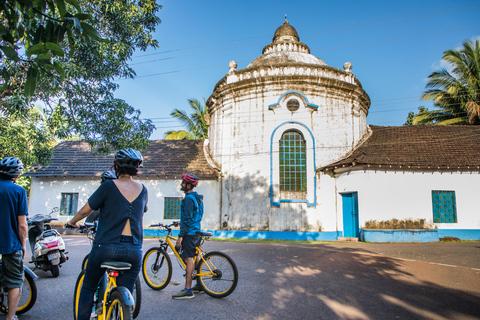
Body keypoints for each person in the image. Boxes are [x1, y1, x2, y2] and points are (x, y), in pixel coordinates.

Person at [67, 148, 147, 320]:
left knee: (88, 287)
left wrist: (72, 222)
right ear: (136, 169)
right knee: (127, 288)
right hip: (134, 251)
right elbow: (142, 211)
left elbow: (84, 211)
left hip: (106, 247)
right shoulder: (143, 190)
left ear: (116, 167)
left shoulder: (108, 186)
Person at [0, 157, 28, 320]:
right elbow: (22, 225)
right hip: (10, 243)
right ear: (16, 175)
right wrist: (23, 244)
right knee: (15, 281)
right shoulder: (18, 191)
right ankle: (10, 317)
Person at [172, 174, 204, 300]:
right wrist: (182, 222)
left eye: (183, 183)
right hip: (196, 231)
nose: (181, 185)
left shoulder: (188, 199)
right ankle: (200, 285)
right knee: (195, 257)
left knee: (188, 259)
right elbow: (194, 215)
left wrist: (181, 236)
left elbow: (187, 217)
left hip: (189, 233)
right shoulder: (197, 198)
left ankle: (188, 290)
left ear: (189, 185)